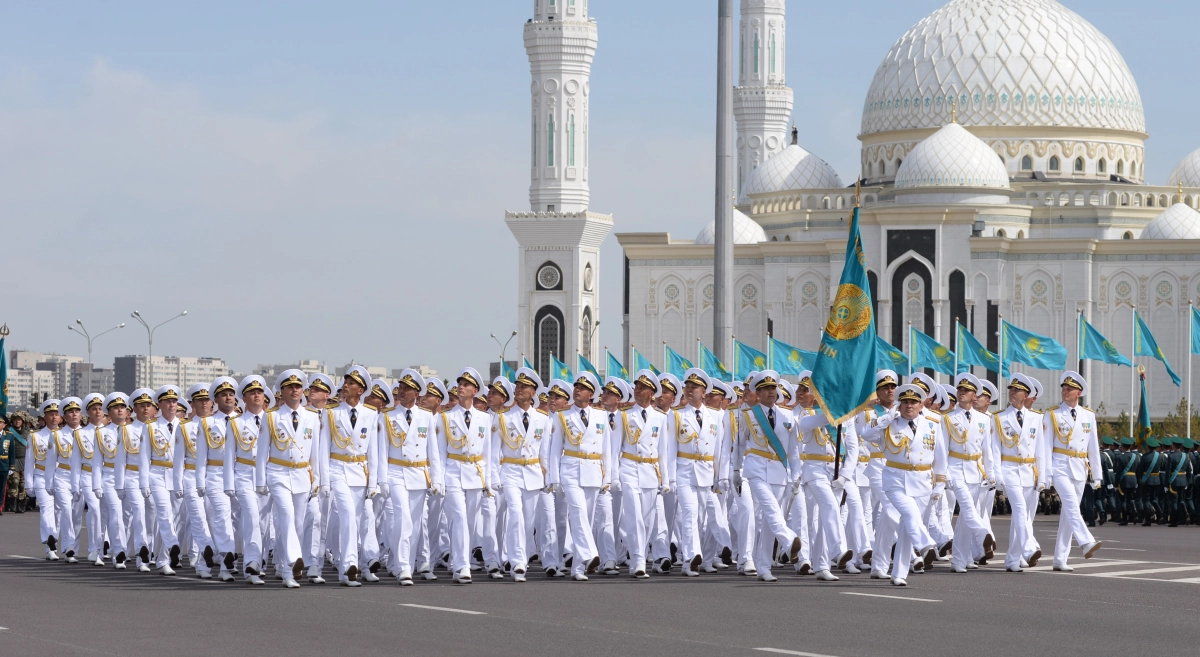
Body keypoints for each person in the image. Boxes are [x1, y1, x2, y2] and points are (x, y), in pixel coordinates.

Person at [870, 384, 946, 587]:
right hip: (896, 479)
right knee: (910, 514)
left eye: (913, 402)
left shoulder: (933, 423)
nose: (909, 406)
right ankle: (926, 545)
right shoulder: (889, 423)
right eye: (905, 402)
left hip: (922, 481)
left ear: (921, 405)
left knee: (906, 529)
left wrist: (940, 483)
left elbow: (940, 456)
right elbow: (865, 434)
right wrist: (887, 417)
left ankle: (899, 573)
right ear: (899, 405)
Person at [735, 370, 803, 583]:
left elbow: (793, 451)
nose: (771, 392)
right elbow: (738, 446)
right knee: (771, 510)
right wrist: (735, 471)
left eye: (773, 388)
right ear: (758, 392)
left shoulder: (787, 416)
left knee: (768, 521)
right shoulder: (747, 414)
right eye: (766, 389)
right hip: (755, 470)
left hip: (779, 472)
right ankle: (789, 539)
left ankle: (763, 567)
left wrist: (795, 476)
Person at [257, 369, 321, 588]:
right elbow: (262, 451)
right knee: (285, 514)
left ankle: (287, 570)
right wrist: (260, 480)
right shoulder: (272, 416)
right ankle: (294, 560)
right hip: (278, 472)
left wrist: (317, 478)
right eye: (289, 387)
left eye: (298, 387)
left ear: (303, 391)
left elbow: (316, 452)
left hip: (303, 474)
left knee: (298, 523)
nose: (294, 390)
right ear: (281, 392)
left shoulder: (312, 417)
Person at [318, 365, 381, 587]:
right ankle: (348, 567)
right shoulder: (332, 413)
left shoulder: (371, 414)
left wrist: (373, 482)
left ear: (361, 389)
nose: (346, 386)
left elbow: (373, 451)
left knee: (360, 519)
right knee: (346, 516)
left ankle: (362, 566)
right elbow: (323, 448)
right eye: (345, 382)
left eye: (351, 383)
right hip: (338, 469)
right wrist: (324, 480)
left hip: (360, 473)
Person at [664, 368, 730, 578]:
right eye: (687, 387)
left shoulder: (715, 417)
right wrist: (671, 477)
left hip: (706, 472)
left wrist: (720, 477)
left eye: (694, 387)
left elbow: (719, 450)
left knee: (701, 518)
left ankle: (689, 562)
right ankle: (693, 555)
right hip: (684, 471)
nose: (689, 390)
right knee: (690, 514)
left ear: (704, 392)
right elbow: (670, 449)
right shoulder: (676, 416)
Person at [546, 371, 611, 581]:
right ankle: (591, 554)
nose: (577, 390)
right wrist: (554, 478)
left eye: (582, 388)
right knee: (579, 512)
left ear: (591, 393)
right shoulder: (563, 415)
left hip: (593, 470)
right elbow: (555, 450)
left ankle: (578, 568)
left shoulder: (601, 416)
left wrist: (607, 476)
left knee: (587, 519)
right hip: (570, 469)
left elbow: (607, 449)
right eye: (576, 387)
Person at [793, 371, 855, 582]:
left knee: (824, 520)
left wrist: (845, 476)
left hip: (836, 472)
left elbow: (853, 448)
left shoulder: (847, 417)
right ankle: (839, 550)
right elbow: (806, 426)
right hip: (814, 470)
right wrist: (832, 413)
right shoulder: (807, 415)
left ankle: (821, 565)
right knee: (826, 509)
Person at [434, 367, 493, 584]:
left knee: (469, 521)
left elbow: (488, 453)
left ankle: (462, 558)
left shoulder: (484, 418)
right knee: (458, 518)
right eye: (460, 383)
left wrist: (489, 480)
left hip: (476, 473)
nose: (461, 387)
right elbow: (440, 451)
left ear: (475, 390)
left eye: (466, 384)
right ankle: (462, 565)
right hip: (453, 471)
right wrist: (438, 479)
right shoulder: (446, 417)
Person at [491, 368, 550, 582]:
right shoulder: (503, 418)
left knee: (528, 521)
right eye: (517, 386)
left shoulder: (543, 419)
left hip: (533, 473)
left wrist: (548, 477)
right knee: (515, 513)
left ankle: (522, 557)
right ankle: (517, 562)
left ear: (533, 392)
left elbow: (545, 452)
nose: (519, 390)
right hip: (511, 472)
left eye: (524, 387)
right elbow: (494, 451)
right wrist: (494, 477)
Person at [1043, 371, 1103, 571]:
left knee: (1068, 514)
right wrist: (1046, 473)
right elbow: (1044, 446)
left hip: (1079, 468)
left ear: (1079, 393)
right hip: (1059, 465)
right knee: (1070, 505)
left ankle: (1060, 559)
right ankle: (1086, 541)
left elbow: (1093, 448)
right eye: (1063, 388)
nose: (1064, 391)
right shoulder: (1052, 414)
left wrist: (1097, 474)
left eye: (1069, 389)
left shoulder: (1088, 415)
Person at [614, 370, 668, 579]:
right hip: (629, 467)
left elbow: (663, 451)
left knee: (647, 518)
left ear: (652, 393)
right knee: (634, 515)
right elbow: (614, 448)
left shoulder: (661, 418)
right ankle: (638, 560)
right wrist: (613, 476)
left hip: (650, 471)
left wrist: (666, 478)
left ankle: (641, 555)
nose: (637, 390)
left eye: (643, 388)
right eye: (636, 387)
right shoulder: (625, 415)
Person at [942, 373, 997, 574]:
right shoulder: (947, 418)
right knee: (967, 506)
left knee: (965, 517)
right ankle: (983, 533)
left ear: (975, 395)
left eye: (966, 391)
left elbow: (986, 449)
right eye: (960, 390)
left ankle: (960, 558)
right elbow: (942, 450)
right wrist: (944, 473)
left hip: (975, 470)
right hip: (955, 467)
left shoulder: (983, 419)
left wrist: (990, 472)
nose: (961, 393)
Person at [992, 373, 1046, 572]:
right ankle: (1030, 547)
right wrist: (996, 476)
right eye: (1011, 390)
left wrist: (1043, 475)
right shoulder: (999, 418)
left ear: (1026, 395)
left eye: (1017, 390)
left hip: (1029, 470)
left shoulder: (1036, 418)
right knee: (1020, 509)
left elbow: (1041, 449)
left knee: (1024, 517)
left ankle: (1012, 559)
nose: (1012, 393)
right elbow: (995, 449)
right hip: (1009, 469)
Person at [226, 376, 272, 585]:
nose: (257, 395)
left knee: (263, 523)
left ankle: (260, 562)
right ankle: (251, 565)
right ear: (243, 398)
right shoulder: (235, 423)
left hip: (267, 475)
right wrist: (229, 483)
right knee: (252, 517)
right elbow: (229, 455)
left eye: (260, 392)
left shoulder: (273, 419)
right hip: (244, 474)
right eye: (252, 392)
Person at [196, 376, 239, 581]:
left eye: (231, 394)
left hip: (240, 474)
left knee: (237, 520)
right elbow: (201, 457)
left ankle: (227, 564)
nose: (228, 398)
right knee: (220, 516)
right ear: (215, 399)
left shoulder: (245, 420)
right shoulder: (207, 423)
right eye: (223, 395)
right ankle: (226, 556)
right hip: (215, 474)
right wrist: (199, 482)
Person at [177, 384, 218, 578]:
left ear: (212, 402)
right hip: (190, 476)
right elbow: (178, 460)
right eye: (199, 400)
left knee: (212, 518)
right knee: (197, 517)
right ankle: (205, 551)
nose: (204, 403)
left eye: (207, 399)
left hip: (213, 476)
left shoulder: (219, 424)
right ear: (192, 403)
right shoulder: (184, 427)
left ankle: (205, 558)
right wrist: (178, 483)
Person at [115, 389, 157, 572]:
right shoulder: (126, 430)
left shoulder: (159, 429)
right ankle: (134, 554)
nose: (145, 409)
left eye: (148, 405)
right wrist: (119, 484)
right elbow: (119, 460)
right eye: (141, 406)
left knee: (152, 515)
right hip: (132, 476)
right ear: (134, 409)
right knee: (136, 514)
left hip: (154, 477)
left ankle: (149, 552)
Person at [147, 386, 184, 575]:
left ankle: (163, 559)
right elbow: (145, 457)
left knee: (177, 518)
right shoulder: (151, 426)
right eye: (167, 401)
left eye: (174, 401)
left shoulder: (185, 425)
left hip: (178, 475)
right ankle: (172, 542)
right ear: (160, 404)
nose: (172, 404)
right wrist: (144, 482)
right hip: (157, 473)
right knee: (164, 511)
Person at [26, 400, 62, 560]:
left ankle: (54, 539)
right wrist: (29, 484)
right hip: (41, 477)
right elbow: (29, 462)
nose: (54, 417)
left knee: (61, 513)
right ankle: (50, 545)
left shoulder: (67, 435)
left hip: (62, 478)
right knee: (47, 511)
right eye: (50, 414)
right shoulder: (35, 437)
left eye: (56, 414)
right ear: (44, 417)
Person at [0, 415, 12, 515]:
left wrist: (12, 466)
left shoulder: (9, 435)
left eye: (0, 423)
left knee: (2, 487)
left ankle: (0, 506)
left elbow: (12, 452)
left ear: (4, 425)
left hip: (3, 464)